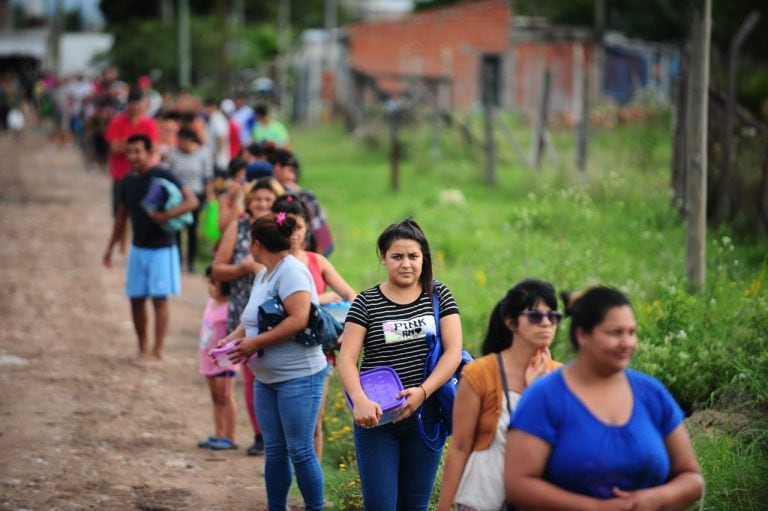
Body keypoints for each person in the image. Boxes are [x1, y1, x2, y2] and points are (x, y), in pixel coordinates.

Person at [505, 286, 704, 511]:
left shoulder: (651, 393)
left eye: (631, 332)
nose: (627, 342)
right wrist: (595, 507)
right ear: (582, 335)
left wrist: (658, 498)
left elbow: (692, 478)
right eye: (615, 333)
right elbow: (518, 485)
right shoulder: (544, 397)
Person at [337, 217, 463, 511]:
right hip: (377, 419)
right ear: (383, 258)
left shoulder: (438, 295)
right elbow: (346, 358)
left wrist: (423, 391)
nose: (406, 264)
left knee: (415, 506)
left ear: (423, 258)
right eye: (397, 256)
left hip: (426, 417)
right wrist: (359, 401)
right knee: (380, 505)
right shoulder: (366, 302)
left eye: (413, 256)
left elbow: (453, 351)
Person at [216, 213, 327, 511]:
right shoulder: (265, 272)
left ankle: (314, 507)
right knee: (275, 452)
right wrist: (234, 337)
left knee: (301, 451)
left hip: (300, 376)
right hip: (267, 378)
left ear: (256, 243)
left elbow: (299, 318)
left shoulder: (291, 272)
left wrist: (255, 343)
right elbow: (254, 317)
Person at [437, 279, 564, 511]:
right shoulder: (479, 373)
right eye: (535, 316)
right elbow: (459, 447)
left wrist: (535, 390)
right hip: (482, 499)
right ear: (511, 322)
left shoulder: (562, 377)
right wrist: (444, 506)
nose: (546, 323)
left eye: (552, 316)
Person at [272, 193, 357, 462]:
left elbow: (352, 296)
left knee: (315, 420)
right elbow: (275, 306)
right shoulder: (270, 263)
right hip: (282, 350)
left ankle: (313, 487)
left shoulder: (317, 262)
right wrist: (316, 299)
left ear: (307, 227)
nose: (293, 234)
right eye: (287, 228)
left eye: (297, 227)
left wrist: (348, 330)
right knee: (282, 425)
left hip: (319, 352)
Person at [102, 134, 199, 364]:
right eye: (129, 152)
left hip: (162, 248)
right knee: (136, 299)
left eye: (138, 151)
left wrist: (166, 215)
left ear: (149, 152)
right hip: (138, 248)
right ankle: (142, 349)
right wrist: (110, 248)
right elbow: (122, 217)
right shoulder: (126, 181)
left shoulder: (162, 174)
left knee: (159, 300)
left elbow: (192, 201)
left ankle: (157, 352)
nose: (133, 156)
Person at [212, 177, 284, 456]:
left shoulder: (284, 229)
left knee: (278, 374)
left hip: (281, 314)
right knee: (252, 377)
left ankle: (278, 435)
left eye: (268, 199)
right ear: (249, 201)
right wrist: (242, 269)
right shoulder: (238, 227)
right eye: (258, 199)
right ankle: (259, 434)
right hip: (246, 308)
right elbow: (217, 269)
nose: (262, 204)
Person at [104, 89, 159, 255]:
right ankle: (122, 243)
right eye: (132, 103)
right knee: (120, 211)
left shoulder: (149, 124)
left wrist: (125, 146)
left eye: (138, 103)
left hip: (144, 174)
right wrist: (138, 148)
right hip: (121, 173)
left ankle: (137, 242)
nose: (134, 107)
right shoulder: (117, 121)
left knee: (143, 211)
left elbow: (153, 148)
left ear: (143, 105)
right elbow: (114, 147)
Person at [197, 266, 239, 450]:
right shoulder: (210, 303)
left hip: (224, 361)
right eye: (210, 282)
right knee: (215, 396)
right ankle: (218, 433)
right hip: (208, 358)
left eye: (214, 283)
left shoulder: (230, 308)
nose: (210, 287)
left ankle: (229, 436)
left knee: (226, 395)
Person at [165, 126, 214, 273]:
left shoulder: (203, 154)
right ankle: (178, 261)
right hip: (177, 197)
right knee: (177, 229)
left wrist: (209, 196)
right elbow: (168, 173)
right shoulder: (173, 153)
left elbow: (208, 176)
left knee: (193, 230)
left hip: (196, 196)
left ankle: (191, 262)